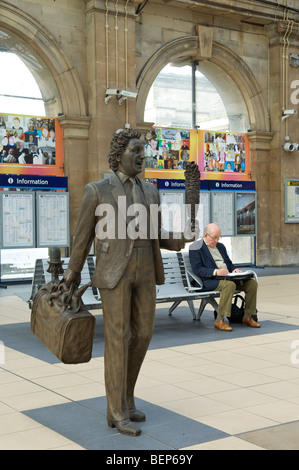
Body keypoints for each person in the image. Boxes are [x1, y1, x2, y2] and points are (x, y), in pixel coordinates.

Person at [61, 128, 196, 436]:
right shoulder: (98, 191)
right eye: (135, 151)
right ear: (117, 156)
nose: (141, 156)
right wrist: (72, 271)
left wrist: (182, 238)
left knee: (144, 335)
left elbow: (158, 234)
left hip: (145, 269)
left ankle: (128, 397)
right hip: (114, 273)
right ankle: (116, 410)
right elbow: (81, 237)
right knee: (118, 338)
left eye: (142, 152)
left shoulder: (150, 190)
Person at [189, 223, 259, 331]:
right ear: (206, 235)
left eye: (218, 238)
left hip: (227, 277)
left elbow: (229, 264)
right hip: (208, 280)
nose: (217, 241)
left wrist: (234, 270)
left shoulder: (220, 246)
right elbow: (197, 269)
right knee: (229, 285)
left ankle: (248, 316)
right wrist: (216, 272)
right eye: (214, 238)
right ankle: (220, 320)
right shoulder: (195, 247)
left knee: (251, 283)